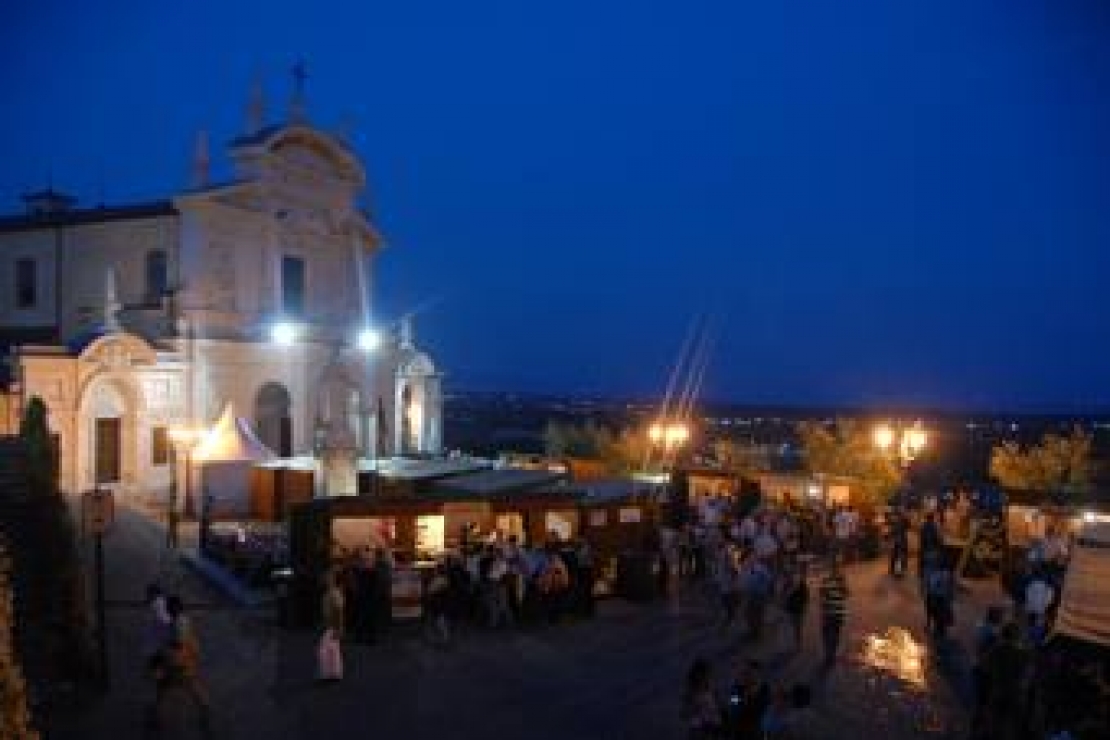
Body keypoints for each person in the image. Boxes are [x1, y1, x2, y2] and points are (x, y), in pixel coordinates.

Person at [726, 659, 770, 740]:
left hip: (756, 732)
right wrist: (743, 698)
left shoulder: (764, 690)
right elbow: (733, 707)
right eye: (747, 674)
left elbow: (766, 712)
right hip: (740, 731)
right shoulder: (737, 689)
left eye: (753, 675)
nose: (749, 677)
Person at [681, 658, 723, 739]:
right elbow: (685, 714)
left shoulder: (712, 692)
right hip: (701, 730)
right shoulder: (693, 695)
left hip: (712, 728)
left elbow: (718, 708)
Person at [819, 557, 848, 669]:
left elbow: (822, 594)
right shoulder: (841, 579)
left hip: (828, 612)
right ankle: (832, 654)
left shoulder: (826, 579)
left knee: (827, 633)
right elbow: (846, 593)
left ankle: (828, 653)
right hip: (838, 611)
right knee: (835, 633)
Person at [783, 569, 809, 653]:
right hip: (791, 609)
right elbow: (784, 595)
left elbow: (806, 598)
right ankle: (795, 644)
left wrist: (804, 607)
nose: (792, 577)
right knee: (793, 627)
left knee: (797, 627)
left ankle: (798, 645)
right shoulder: (788, 584)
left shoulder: (802, 585)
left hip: (798, 609)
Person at [889, 508, 910, 577]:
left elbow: (892, 531)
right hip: (901, 540)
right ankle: (900, 568)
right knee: (900, 554)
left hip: (898, 540)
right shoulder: (902, 521)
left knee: (896, 555)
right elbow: (908, 527)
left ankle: (895, 569)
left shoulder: (895, 521)